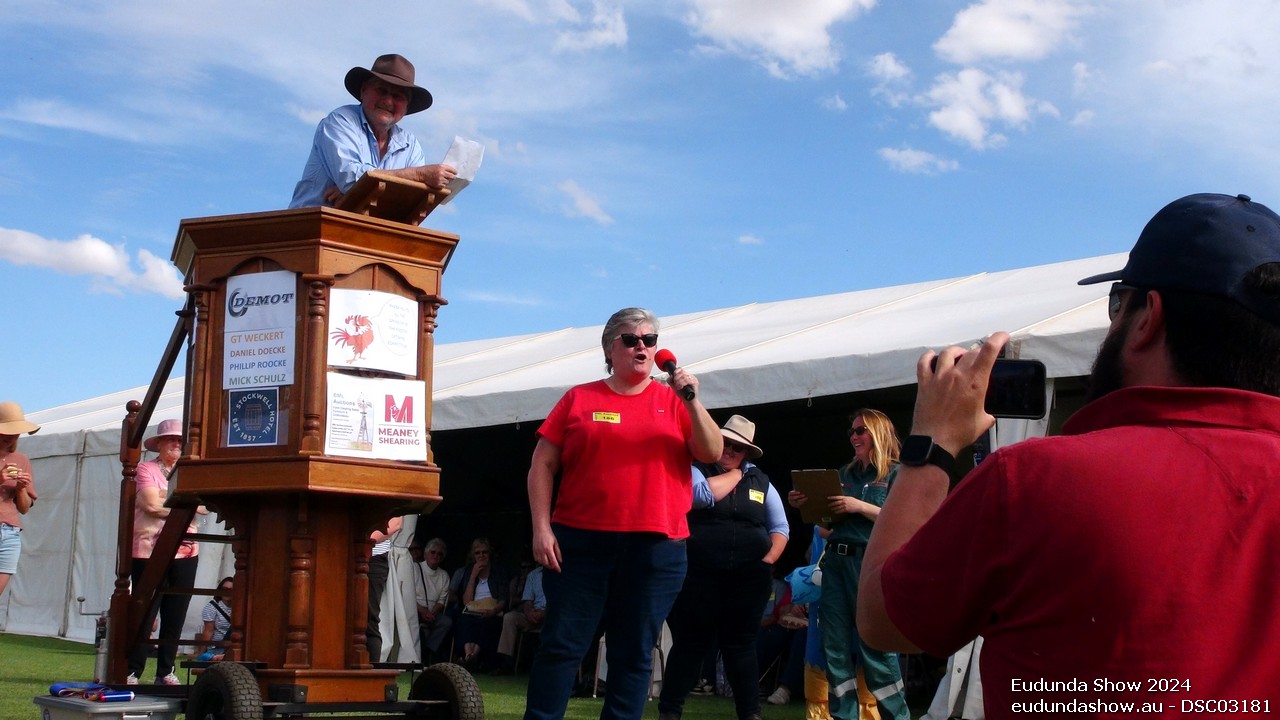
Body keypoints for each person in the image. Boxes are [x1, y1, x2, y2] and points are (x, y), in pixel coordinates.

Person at [857, 193, 1280, 717]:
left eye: (1117, 302)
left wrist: (932, 443)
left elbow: (884, 619)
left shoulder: (1037, 478)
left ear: (1148, 316)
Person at [524, 307, 723, 720]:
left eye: (649, 340)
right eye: (631, 339)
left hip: (656, 547)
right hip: (580, 544)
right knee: (562, 646)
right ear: (609, 348)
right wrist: (541, 528)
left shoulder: (675, 400)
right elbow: (541, 465)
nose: (642, 347)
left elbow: (712, 452)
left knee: (633, 654)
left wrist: (692, 399)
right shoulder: (580, 398)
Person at [659, 415, 789, 720]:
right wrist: (735, 477)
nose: (730, 450)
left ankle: (750, 713)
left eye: (738, 448)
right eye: (725, 443)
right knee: (690, 642)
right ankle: (669, 711)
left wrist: (767, 560)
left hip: (748, 576)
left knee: (741, 645)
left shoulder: (762, 480)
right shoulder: (694, 468)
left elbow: (780, 526)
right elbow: (696, 496)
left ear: (747, 453)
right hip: (700, 571)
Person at [789, 410, 908, 720]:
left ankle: (896, 715)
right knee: (834, 647)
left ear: (878, 433)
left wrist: (858, 505)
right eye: (852, 431)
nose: (854, 436)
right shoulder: (844, 473)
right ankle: (843, 715)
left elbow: (904, 521)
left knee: (874, 646)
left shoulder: (898, 473)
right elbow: (827, 527)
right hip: (837, 562)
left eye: (861, 431)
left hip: (869, 563)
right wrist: (807, 505)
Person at [289, 53, 456, 215]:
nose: (388, 101)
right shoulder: (340, 121)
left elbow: (410, 202)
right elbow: (351, 179)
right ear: (363, 91)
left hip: (367, 236)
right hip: (311, 229)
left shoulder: (410, 145)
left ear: (406, 107)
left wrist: (355, 197)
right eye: (381, 90)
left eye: (398, 96)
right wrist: (419, 175)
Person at [128, 419, 206, 686]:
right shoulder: (145, 468)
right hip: (149, 549)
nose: (176, 444)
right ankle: (132, 670)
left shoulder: (190, 469)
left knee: (176, 613)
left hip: (185, 551)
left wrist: (166, 499)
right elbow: (150, 504)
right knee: (145, 611)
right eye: (171, 439)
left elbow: (205, 505)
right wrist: (184, 504)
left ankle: (165, 672)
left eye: (180, 440)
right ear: (159, 444)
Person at [451, 537, 510, 671]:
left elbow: (503, 600)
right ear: (473, 555)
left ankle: (471, 657)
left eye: (485, 552)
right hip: (472, 610)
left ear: (490, 554)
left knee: (488, 622)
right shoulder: (469, 571)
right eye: (477, 553)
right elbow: (466, 601)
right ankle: (469, 656)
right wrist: (473, 575)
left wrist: (493, 611)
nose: (481, 555)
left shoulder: (498, 572)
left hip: (492, 611)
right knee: (464, 620)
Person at [0, 401, 39, 601]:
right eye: (7, 431)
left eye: (15, 432)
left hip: (11, 531)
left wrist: (22, 488)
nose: (12, 436)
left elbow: (24, 508)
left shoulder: (21, 459)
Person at [493, 560, 546, 674]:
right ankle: (506, 663)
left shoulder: (562, 574)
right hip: (534, 614)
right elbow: (527, 601)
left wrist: (544, 612)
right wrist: (529, 613)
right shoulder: (534, 574)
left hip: (553, 615)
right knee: (510, 617)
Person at [366, 515, 402, 664]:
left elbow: (395, 523)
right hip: (339, 553)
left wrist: (365, 540)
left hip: (374, 557)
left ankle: (371, 674)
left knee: (369, 617)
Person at [410, 538, 452, 664]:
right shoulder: (415, 568)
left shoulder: (444, 575)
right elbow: (407, 594)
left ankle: (428, 651)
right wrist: (422, 611)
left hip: (432, 612)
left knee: (446, 622)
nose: (436, 556)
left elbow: (442, 600)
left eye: (439, 554)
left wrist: (431, 613)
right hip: (414, 609)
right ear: (425, 554)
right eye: (433, 552)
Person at [195, 576, 233, 661]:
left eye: (231, 590)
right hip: (217, 647)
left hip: (232, 647)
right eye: (225, 589)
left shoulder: (238, 607)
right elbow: (208, 631)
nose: (227, 592)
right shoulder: (212, 607)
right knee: (203, 657)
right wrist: (201, 651)